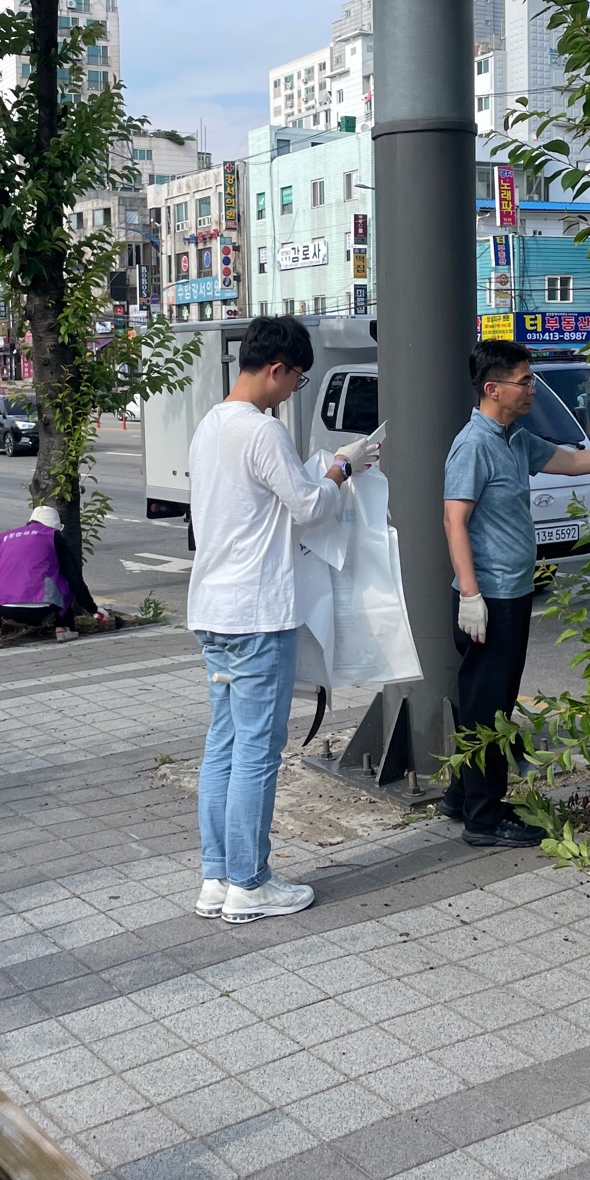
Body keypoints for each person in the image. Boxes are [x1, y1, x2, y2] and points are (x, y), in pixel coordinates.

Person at [187, 315, 379, 925]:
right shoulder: (261, 431)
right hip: (255, 613)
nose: (295, 389)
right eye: (297, 379)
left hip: (212, 609)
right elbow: (307, 507)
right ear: (277, 369)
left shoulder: (210, 426)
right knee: (257, 751)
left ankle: (216, 878)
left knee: (223, 745)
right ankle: (250, 882)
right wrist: (340, 469)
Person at [443, 340, 590, 848]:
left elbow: (569, 460)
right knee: (488, 707)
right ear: (492, 388)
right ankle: (483, 817)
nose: (532, 389)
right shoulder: (474, 444)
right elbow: (454, 519)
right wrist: (470, 595)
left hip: (513, 592)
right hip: (490, 599)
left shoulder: (514, 437)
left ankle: (461, 796)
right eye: (524, 381)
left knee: (488, 699)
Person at [0, 504, 101, 648]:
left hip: (3, 606)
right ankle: (63, 628)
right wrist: (92, 609)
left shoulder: (4, 537)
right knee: (63, 579)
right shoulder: (53, 537)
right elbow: (74, 578)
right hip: (44, 607)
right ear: (55, 527)